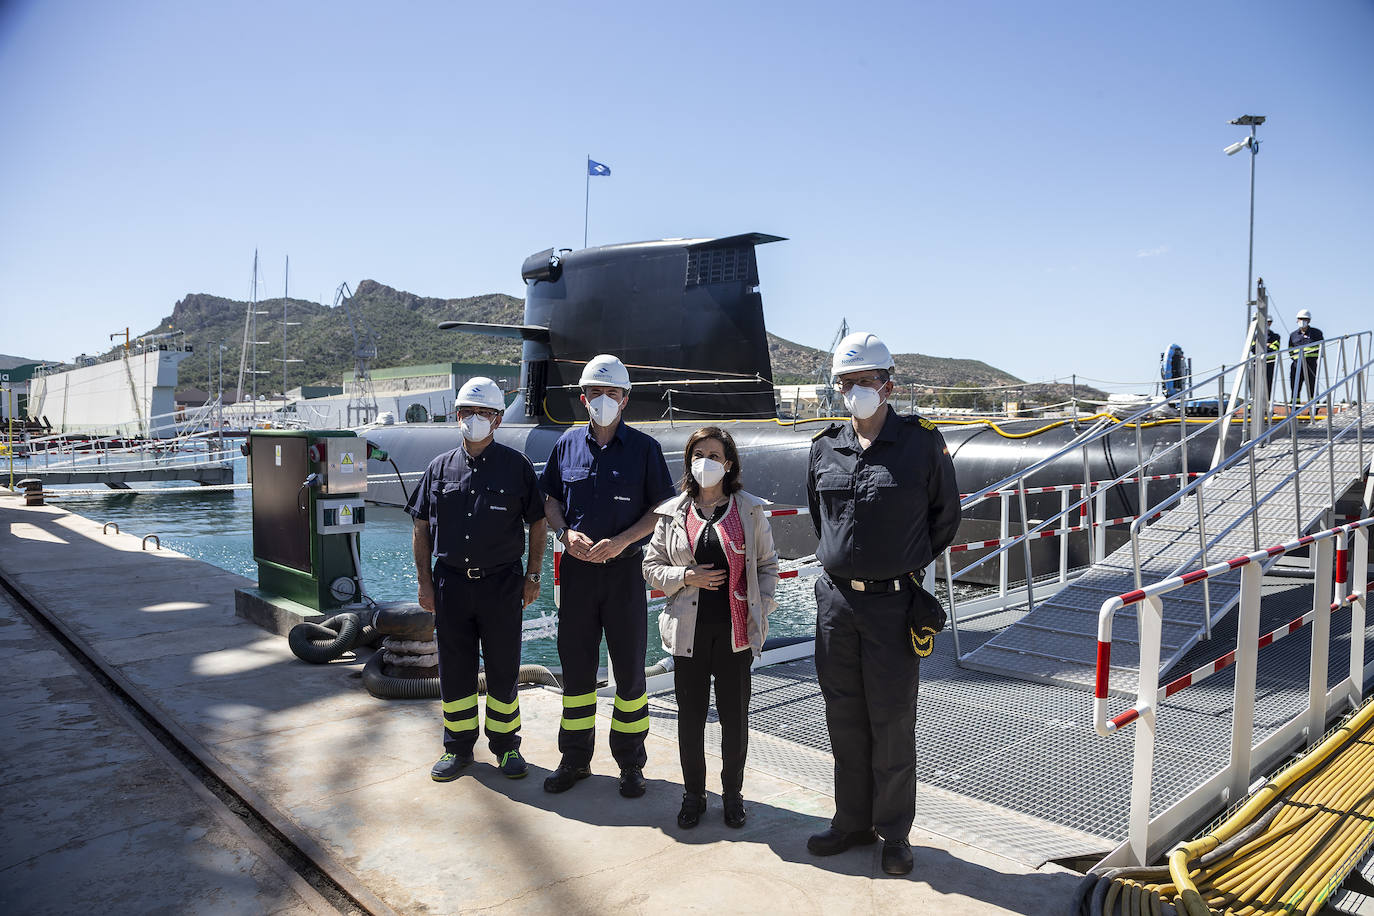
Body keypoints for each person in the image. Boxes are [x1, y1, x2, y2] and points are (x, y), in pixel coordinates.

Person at [805, 331, 960, 877]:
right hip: (837, 605)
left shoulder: (920, 442)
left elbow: (945, 517)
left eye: (865, 382)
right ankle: (851, 822)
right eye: (846, 383)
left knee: (892, 722)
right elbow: (820, 519)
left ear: (888, 384)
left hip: (894, 606)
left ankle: (894, 834)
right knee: (843, 717)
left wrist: (904, 562)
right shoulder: (825, 446)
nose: (855, 391)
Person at [540, 354, 676, 798]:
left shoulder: (644, 450)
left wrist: (621, 542)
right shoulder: (566, 446)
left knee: (630, 675)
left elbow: (660, 509)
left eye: (612, 393)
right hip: (578, 576)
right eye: (595, 393)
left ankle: (630, 765)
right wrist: (564, 533)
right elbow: (551, 499)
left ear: (625, 399)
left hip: (623, 576)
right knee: (577, 672)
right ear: (583, 398)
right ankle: (574, 760)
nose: (603, 400)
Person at [406, 377, 547, 782]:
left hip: (502, 584)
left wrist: (533, 576)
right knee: (455, 668)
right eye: (468, 412)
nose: (475, 420)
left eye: (484, 413)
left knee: (504, 668)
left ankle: (505, 748)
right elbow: (420, 528)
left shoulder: (516, 467)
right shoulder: (438, 468)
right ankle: (458, 747)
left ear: (499, 420)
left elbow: (537, 524)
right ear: (457, 416)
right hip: (450, 584)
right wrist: (424, 583)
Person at [643, 426, 779, 829]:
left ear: (729, 463)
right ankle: (693, 794)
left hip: (735, 632)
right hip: (689, 633)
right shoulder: (672, 513)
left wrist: (762, 605)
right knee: (691, 718)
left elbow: (769, 565)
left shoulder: (749, 510)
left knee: (735, 718)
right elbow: (650, 568)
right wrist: (686, 576)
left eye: (714, 455)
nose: (705, 461)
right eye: (698, 453)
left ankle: (733, 795)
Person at [1288, 309, 1324, 409]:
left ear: (1309, 321)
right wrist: (1296, 358)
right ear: (1297, 320)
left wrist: (1308, 353)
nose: (1302, 321)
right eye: (1300, 319)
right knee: (1295, 386)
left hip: (1311, 364)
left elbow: (1320, 348)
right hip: (1296, 365)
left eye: (1304, 319)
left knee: (1312, 386)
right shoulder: (1293, 335)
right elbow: (1290, 350)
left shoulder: (1316, 333)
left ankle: (1314, 407)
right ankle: (1295, 407)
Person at [1264, 316, 1281, 403]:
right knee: (1253, 386)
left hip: (1270, 364)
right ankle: (1251, 408)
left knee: (1268, 385)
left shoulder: (1275, 336)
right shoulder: (1255, 336)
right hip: (1255, 364)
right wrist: (1268, 345)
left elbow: (1275, 349)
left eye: (1269, 322)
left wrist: (1265, 347)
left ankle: (1267, 406)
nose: (1267, 324)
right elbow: (1253, 348)